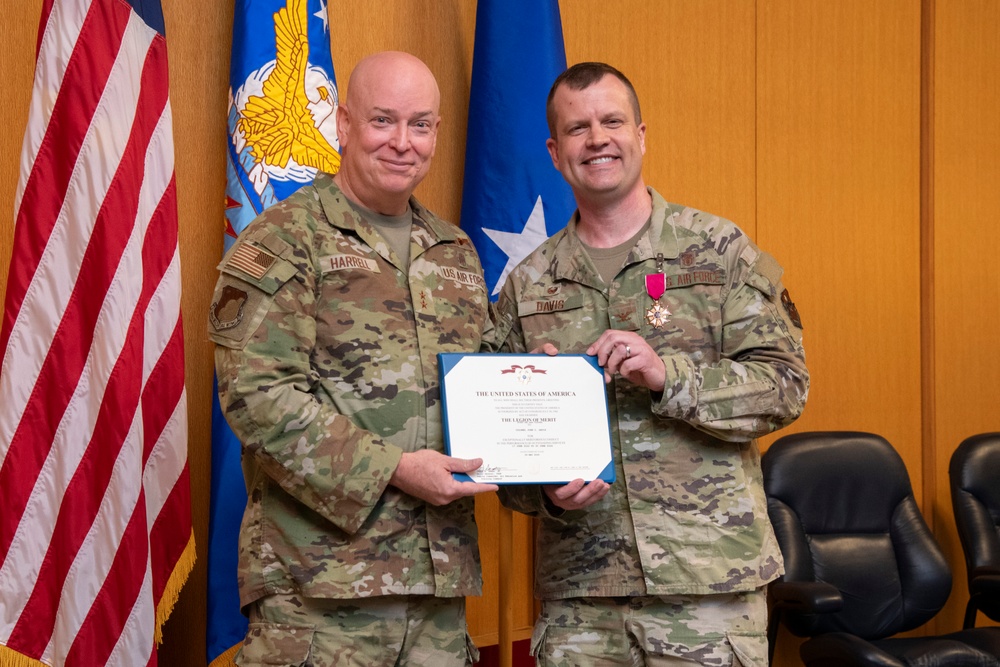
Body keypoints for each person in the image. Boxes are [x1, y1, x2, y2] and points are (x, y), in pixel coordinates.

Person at [491, 62, 809, 666]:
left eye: (612, 121)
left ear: (641, 134)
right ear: (556, 152)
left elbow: (786, 384)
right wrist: (545, 495)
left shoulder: (718, 250)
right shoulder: (527, 285)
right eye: (578, 129)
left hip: (709, 588)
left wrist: (671, 377)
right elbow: (501, 450)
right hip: (581, 597)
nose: (598, 139)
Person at [209, 51, 497, 667]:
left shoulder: (455, 251)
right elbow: (258, 398)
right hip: (319, 595)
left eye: (420, 124)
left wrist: (541, 386)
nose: (402, 142)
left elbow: (480, 385)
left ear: (437, 133)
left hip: (436, 595)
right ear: (342, 125)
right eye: (382, 121)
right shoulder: (284, 239)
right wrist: (394, 467)